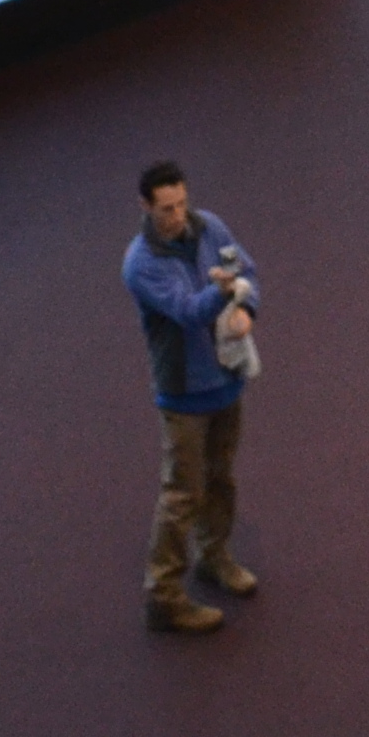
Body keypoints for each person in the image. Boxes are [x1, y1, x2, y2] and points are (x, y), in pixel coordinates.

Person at [122, 158, 264, 634]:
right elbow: (187, 312)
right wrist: (224, 293)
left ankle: (214, 558)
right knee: (182, 494)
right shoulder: (141, 264)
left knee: (220, 478)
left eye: (182, 203)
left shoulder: (210, 227)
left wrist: (246, 307)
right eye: (166, 208)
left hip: (225, 379)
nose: (178, 215)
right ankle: (163, 597)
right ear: (145, 207)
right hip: (184, 394)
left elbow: (246, 270)